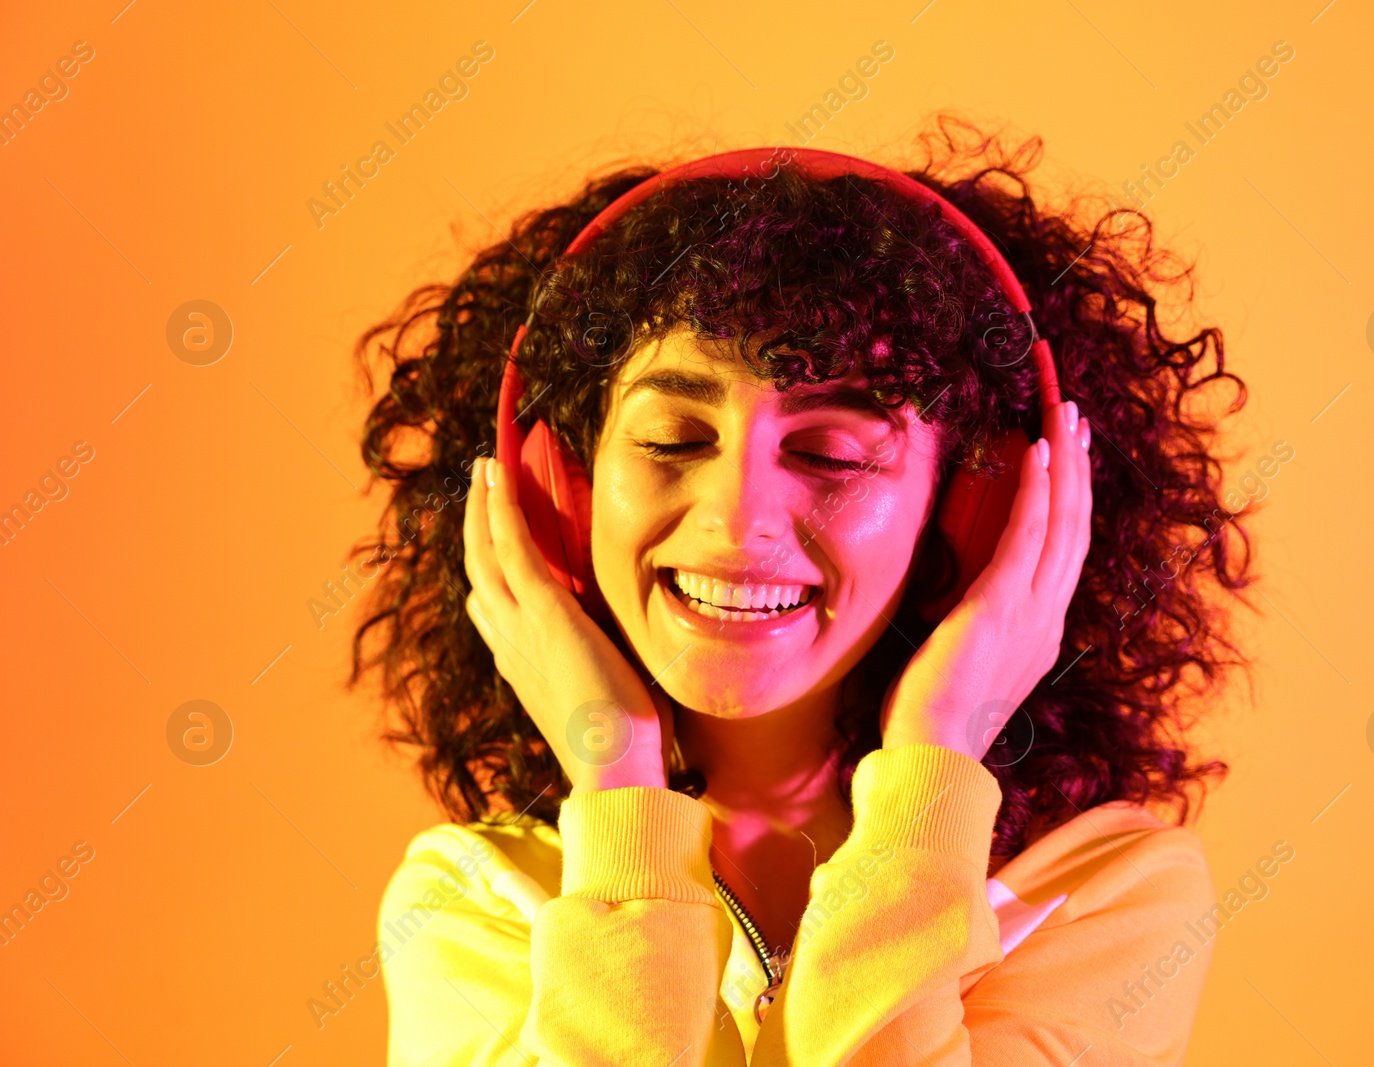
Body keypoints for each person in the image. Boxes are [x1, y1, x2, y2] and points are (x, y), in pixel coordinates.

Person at [348, 118, 1256, 1065]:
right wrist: (617, 795)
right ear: (564, 490)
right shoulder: (475, 901)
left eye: (832, 453)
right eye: (671, 439)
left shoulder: (1107, 893)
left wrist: (934, 767)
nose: (739, 520)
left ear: (969, 511)